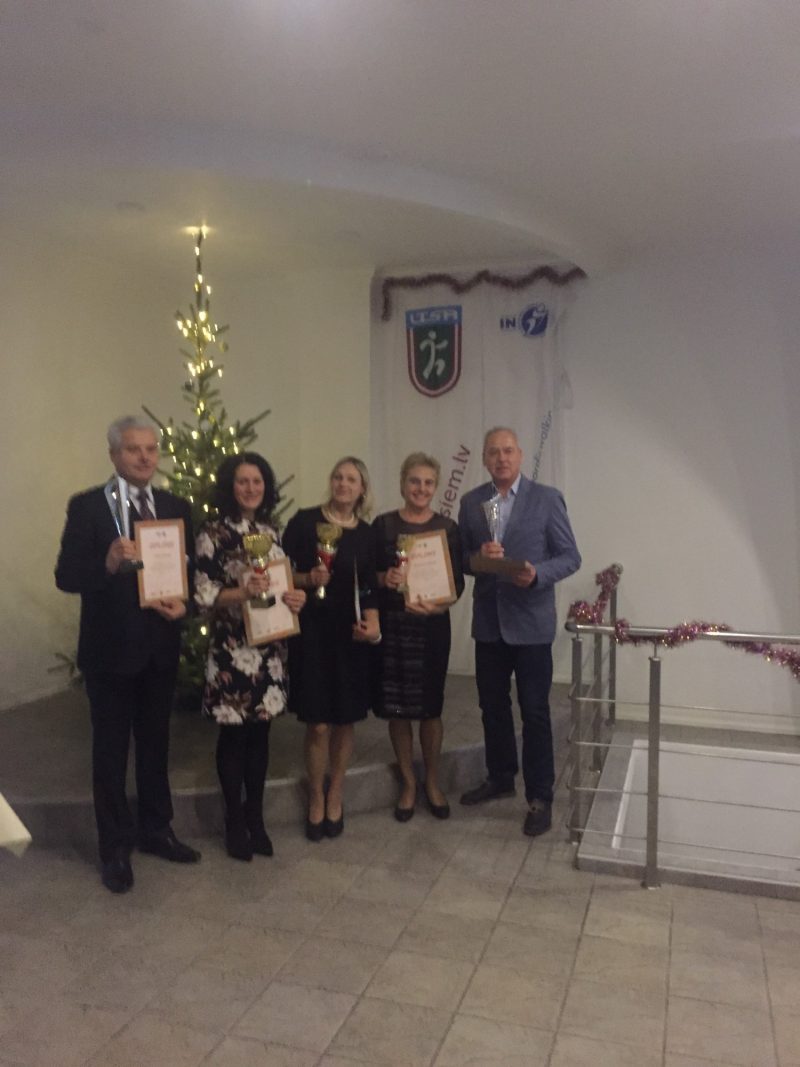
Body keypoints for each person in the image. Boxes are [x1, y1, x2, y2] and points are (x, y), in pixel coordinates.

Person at [55, 415, 200, 894]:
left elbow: (191, 573)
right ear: (114, 454)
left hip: (160, 648)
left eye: (151, 449)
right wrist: (107, 562)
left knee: (156, 744)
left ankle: (157, 829)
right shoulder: (89, 507)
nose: (144, 457)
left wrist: (186, 605)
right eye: (134, 449)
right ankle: (114, 847)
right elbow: (66, 576)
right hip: (110, 653)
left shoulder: (175, 507)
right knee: (111, 752)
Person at [458, 426, 581, 837]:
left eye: (508, 450)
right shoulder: (471, 502)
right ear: (484, 458)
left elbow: (570, 556)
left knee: (535, 711)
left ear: (520, 455)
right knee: (492, 707)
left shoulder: (547, 499)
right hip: (489, 624)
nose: (501, 458)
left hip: (531, 625)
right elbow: (462, 561)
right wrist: (478, 558)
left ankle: (540, 796)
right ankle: (500, 777)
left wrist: (538, 574)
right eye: (493, 452)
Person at [194, 453, 306, 862]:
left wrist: (295, 598)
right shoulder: (213, 533)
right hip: (232, 649)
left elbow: (281, 583)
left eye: (257, 481)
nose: (250, 488)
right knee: (234, 736)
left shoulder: (271, 531)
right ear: (231, 485)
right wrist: (242, 593)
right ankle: (234, 822)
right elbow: (202, 593)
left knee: (261, 735)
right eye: (243, 481)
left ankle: (255, 818)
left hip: (270, 647)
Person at [282, 457, 380, 841]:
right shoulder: (304, 522)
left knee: (344, 720)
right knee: (318, 722)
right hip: (312, 633)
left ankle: (335, 790)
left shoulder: (367, 535)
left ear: (362, 489)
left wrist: (373, 624)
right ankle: (315, 795)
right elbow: (278, 571)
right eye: (338, 477)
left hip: (350, 636)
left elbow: (369, 586)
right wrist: (308, 578)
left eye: (351, 479)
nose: (343, 484)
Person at [373, 453, 464, 821]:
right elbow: (369, 575)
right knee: (398, 709)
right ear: (402, 483)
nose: (421, 489)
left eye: (428, 483)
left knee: (430, 708)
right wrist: (385, 578)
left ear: (436, 487)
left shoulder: (448, 528)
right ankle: (409, 783)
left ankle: (433, 782)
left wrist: (440, 605)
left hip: (432, 628)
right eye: (414, 481)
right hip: (394, 626)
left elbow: (457, 583)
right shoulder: (383, 525)